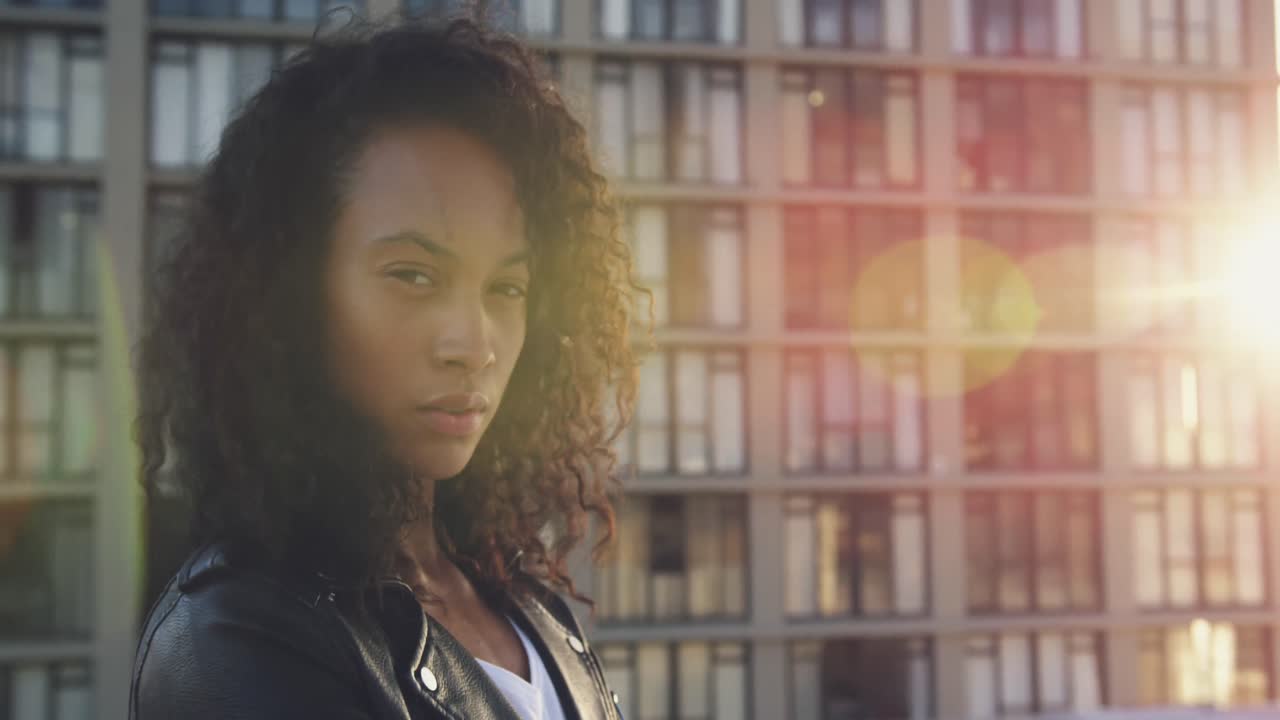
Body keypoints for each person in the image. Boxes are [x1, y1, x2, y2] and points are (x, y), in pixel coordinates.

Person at [129, 14, 643, 720]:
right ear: (294, 295)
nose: (475, 343)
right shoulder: (233, 639)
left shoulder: (530, 608)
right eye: (413, 276)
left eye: (508, 288)